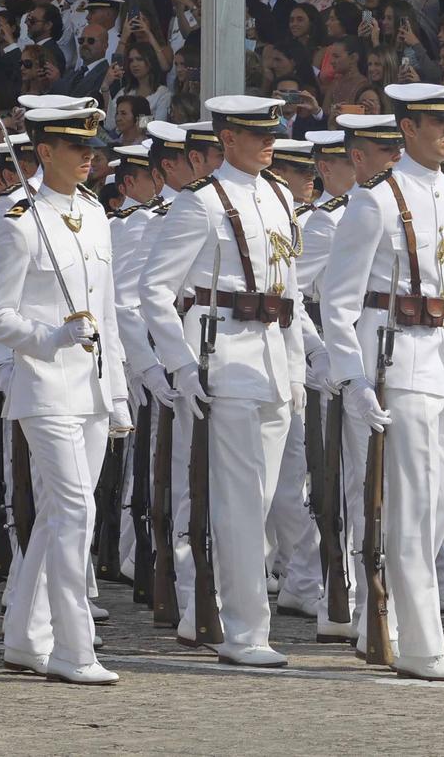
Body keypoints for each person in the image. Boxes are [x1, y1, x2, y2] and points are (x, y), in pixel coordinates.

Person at [315, 83, 444, 681]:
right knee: (411, 504)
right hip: (399, 361)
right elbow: (338, 300)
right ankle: (420, 643)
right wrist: (353, 378)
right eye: (437, 122)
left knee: (439, 509)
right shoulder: (375, 200)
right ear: (407, 129)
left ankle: (395, 624)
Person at [137, 95, 306, 668]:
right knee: (235, 504)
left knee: (255, 504)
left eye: (272, 133)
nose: (268, 142)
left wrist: (300, 366)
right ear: (226, 139)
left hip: (273, 362)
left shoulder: (281, 196)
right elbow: (155, 290)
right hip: (224, 356)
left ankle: (207, 607)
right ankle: (243, 629)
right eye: (254, 134)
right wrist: (181, 364)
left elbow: (291, 291)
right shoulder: (202, 204)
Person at [0, 100, 128, 684]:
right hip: (44, 385)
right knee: (74, 512)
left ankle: (24, 635)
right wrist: (51, 334)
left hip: (90, 388)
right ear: (44, 152)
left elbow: (108, 314)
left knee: (58, 517)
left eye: (92, 147)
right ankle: (73, 647)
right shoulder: (19, 222)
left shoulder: (94, 215)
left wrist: (115, 392)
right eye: (76, 147)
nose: (89, 157)